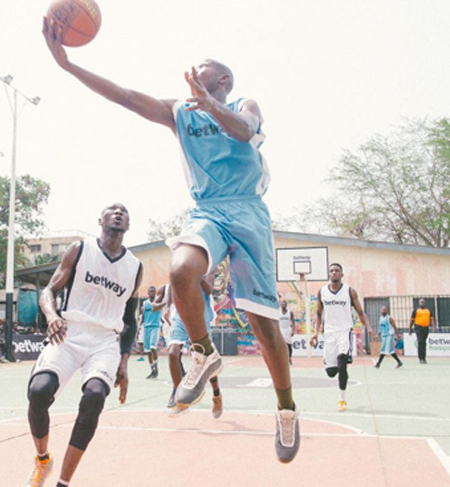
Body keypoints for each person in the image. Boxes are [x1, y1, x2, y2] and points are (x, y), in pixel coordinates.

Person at [43, 22, 300, 463]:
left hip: (248, 212)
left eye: (202, 71)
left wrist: (211, 104)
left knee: (263, 323)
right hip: (208, 211)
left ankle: (286, 408)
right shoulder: (180, 112)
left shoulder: (242, 103)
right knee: (181, 268)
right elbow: (124, 95)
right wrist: (68, 64)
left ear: (221, 79)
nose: (192, 76)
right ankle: (203, 354)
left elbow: (244, 130)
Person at [23, 203, 142, 487]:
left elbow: (130, 320)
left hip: (104, 341)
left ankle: (63, 482)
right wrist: (52, 316)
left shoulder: (134, 267)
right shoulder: (80, 249)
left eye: (123, 211)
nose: (118, 213)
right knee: (38, 393)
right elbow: (49, 291)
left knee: (94, 398)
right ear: (99, 219)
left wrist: (124, 362)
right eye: (112, 209)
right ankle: (42, 460)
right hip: (69, 331)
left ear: (128, 224)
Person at [311, 263, 373, 412]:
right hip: (329, 333)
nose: (334, 273)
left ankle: (342, 399)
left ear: (342, 274)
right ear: (329, 274)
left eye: (337, 271)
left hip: (345, 331)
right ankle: (336, 365)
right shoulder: (322, 292)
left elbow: (360, 312)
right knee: (331, 372)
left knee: (342, 362)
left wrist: (369, 327)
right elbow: (318, 314)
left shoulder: (350, 292)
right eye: (331, 271)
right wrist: (315, 332)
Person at [166, 274, 223, 418]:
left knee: (206, 360)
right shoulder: (179, 260)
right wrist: (168, 307)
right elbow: (172, 285)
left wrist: (194, 275)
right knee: (173, 353)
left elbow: (210, 290)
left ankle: (217, 394)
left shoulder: (206, 268)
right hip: (180, 315)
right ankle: (180, 399)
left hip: (200, 315)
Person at [139, 285, 166, 379]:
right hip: (146, 327)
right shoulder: (145, 303)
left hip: (155, 326)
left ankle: (156, 368)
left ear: (155, 293)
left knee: (152, 347)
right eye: (150, 291)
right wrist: (139, 325)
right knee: (147, 351)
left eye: (153, 291)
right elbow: (143, 315)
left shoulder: (158, 302)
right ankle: (152, 370)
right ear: (148, 293)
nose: (151, 292)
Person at [409, 298, 435, 364]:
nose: (422, 303)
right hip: (418, 327)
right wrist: (410, 328)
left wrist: (433, 326)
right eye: (421, 302)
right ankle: (420, 358)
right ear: (419, 303)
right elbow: (412, 320)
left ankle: (424, 358)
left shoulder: (428, 311)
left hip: (426, 328)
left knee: (424, 342)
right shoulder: (416, 310)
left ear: (425, 303)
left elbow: (431, 319)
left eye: (423, 302)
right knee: (420, 342)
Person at [279, 300, 297, 366]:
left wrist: (293, 330)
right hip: (281, 329)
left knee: (289, 345)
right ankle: (282, 358)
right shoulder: (278, 312)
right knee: (281, 345)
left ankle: (289, 358)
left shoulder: (290, 312)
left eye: (284, 304)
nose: (283, 305)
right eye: (282, 304)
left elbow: (293, 322)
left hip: (287, 329)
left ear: (286, 305)